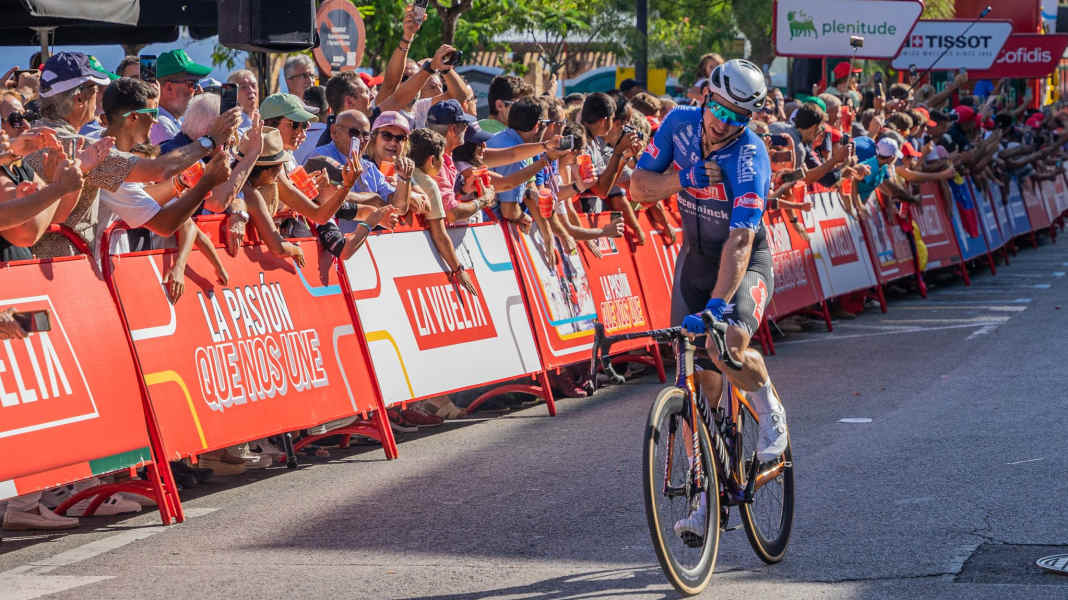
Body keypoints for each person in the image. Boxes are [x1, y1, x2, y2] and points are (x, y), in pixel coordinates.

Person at [630, 59, 787, 540]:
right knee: (699, 379)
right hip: (695, 259)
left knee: (727, 347)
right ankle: (707, 496)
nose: (724, 123)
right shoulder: (677, 123)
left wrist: (718, 308)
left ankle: (770, 411)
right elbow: (638, 188)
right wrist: (687, 178)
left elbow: (741, 244)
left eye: (738, 117)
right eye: (719, 110)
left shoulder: (749, 158)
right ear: (705, 99)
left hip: (743, 259)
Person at [150, 49, 212, 144]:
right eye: (192, 84)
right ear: (169, 88)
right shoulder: (160, 124)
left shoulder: (172, 122)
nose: (198, 90)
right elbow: (189, 158)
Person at [227, 69, 259, 135]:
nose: (251, 90)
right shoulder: (231, 125)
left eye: (253, 85)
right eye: (243, 87)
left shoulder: (267, 118)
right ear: (233, 93)